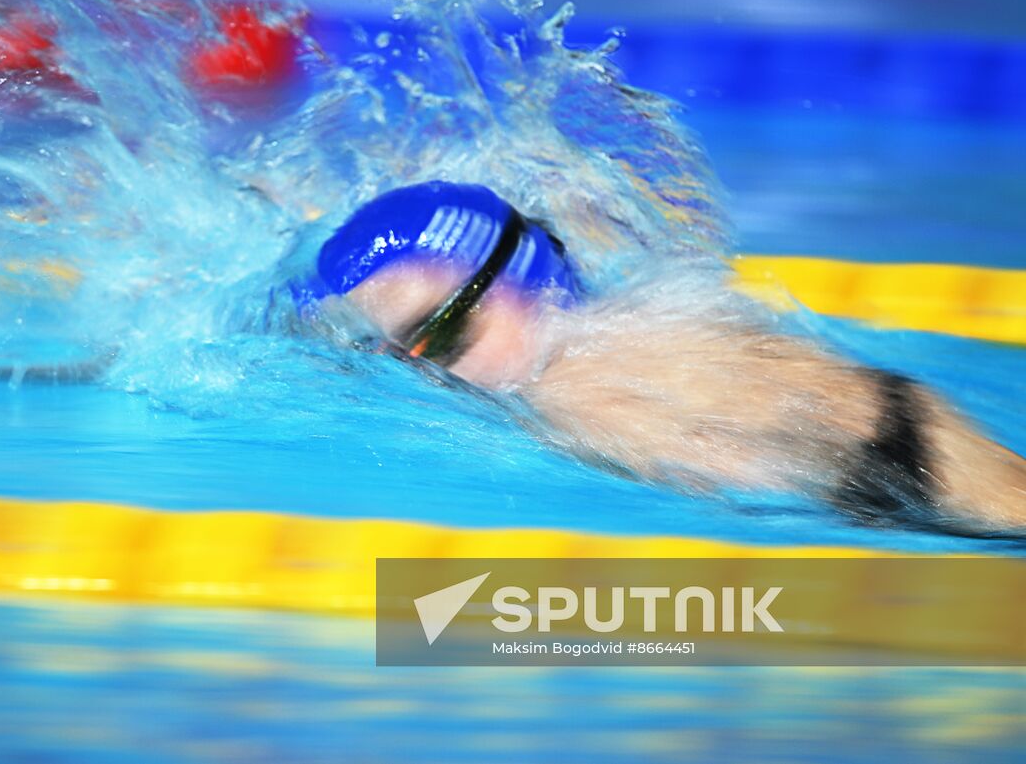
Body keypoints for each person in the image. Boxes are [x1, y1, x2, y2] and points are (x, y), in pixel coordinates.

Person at [300, 180, 1026, 534]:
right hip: (907, 418)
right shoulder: (624, 311)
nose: (428, 372)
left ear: (520, 284)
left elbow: (755, 499)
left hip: (899, 475)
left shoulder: (582, 395)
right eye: (399, 357)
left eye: (442, 338)